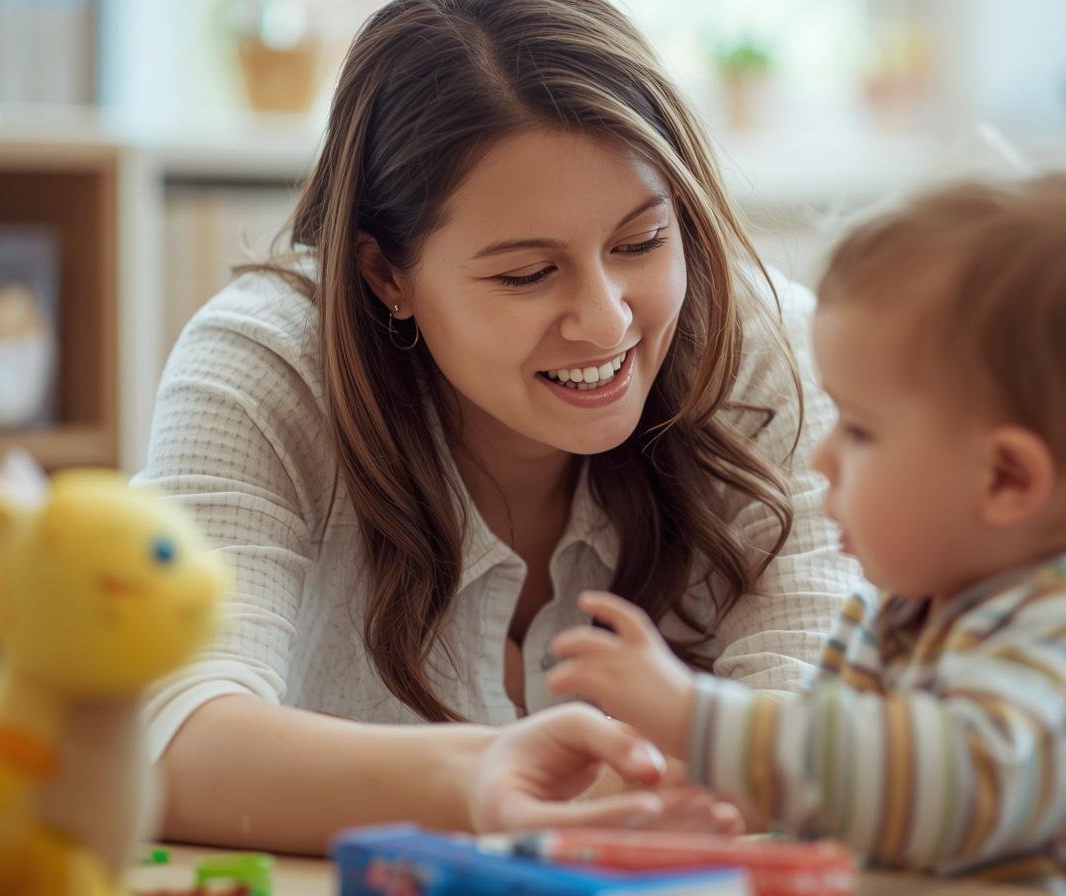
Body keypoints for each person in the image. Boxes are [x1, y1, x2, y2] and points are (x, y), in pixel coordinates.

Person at [136, 0, 857, 854]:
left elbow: (828, 732)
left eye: (642, 241)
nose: (604, 318)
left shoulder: (760, 342)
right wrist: (476, 781)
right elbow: (162, 739)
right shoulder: (264, 365)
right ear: (385, 273)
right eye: (526, 274)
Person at [547, 162, 1066, 893]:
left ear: (1005, 479)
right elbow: (835, 788)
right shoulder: (901, 615)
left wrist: (698, 718)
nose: (823, 457)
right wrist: (694, 788)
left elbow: (944, 789)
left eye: (862, 430)